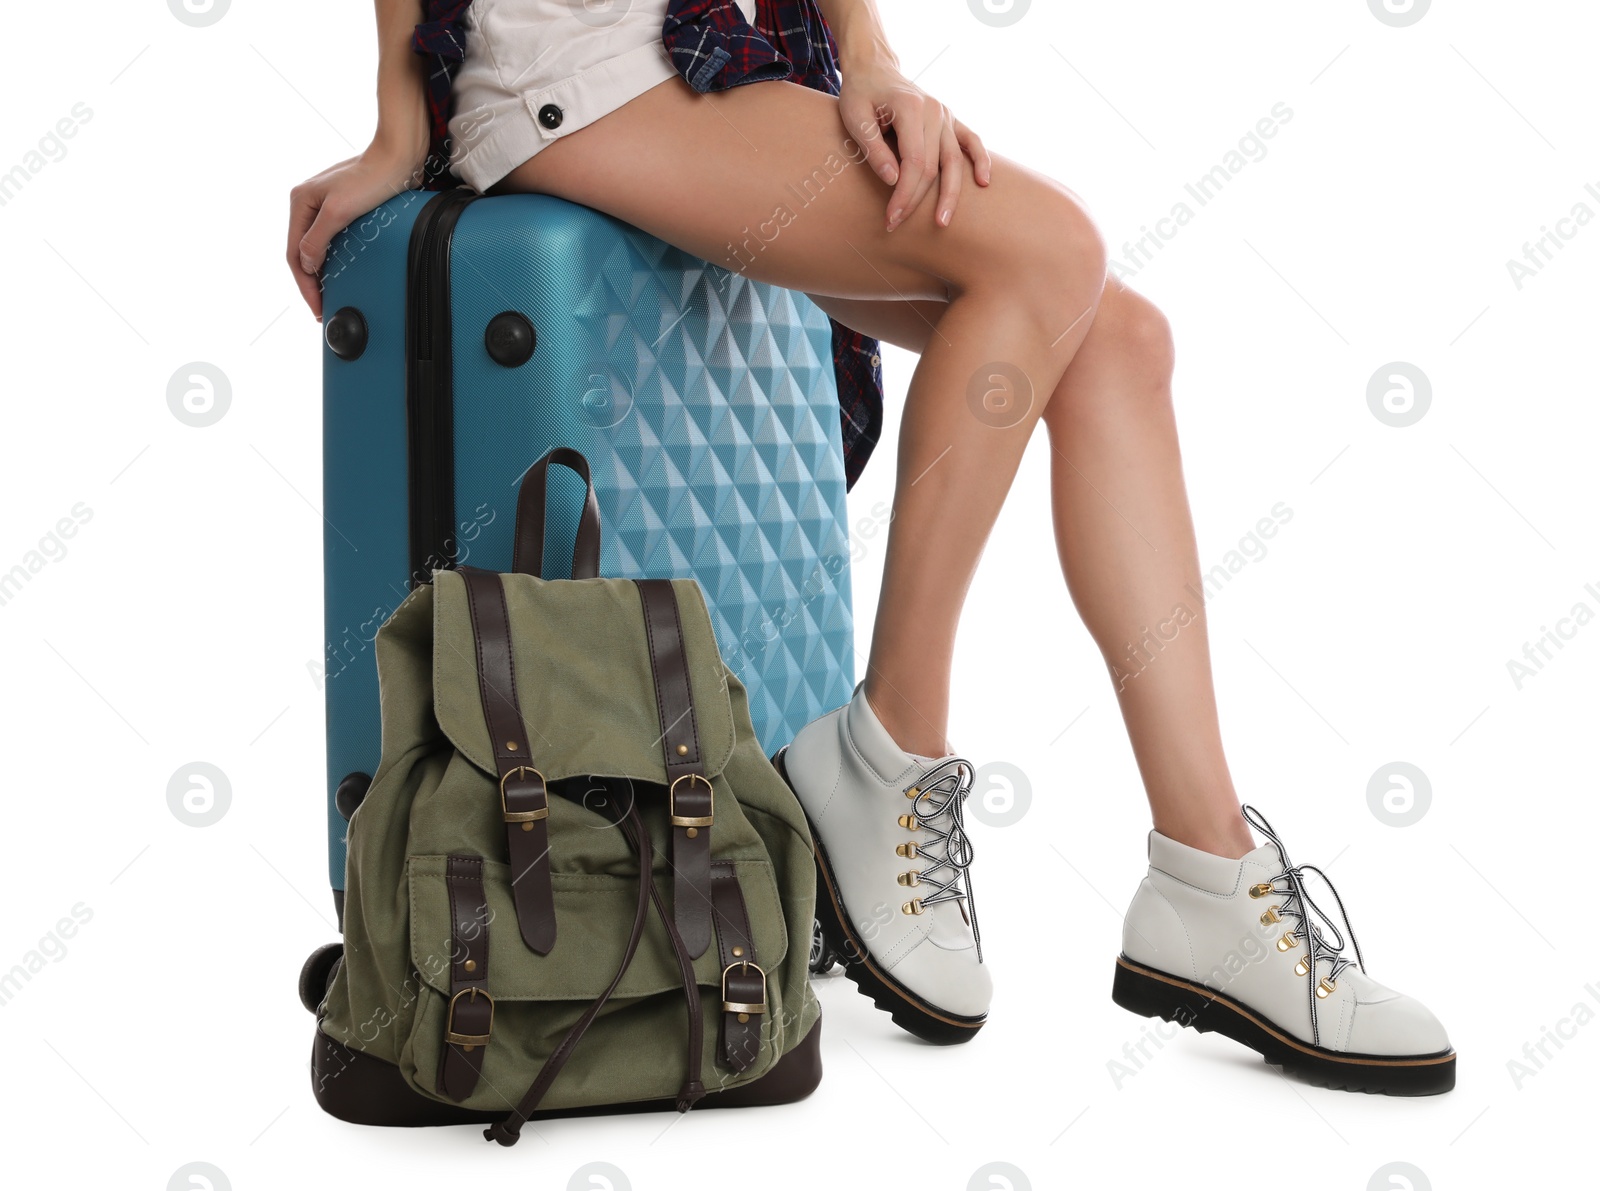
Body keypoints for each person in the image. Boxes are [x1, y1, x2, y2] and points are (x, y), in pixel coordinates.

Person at [288, 0, 1454, 1094]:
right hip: (577, 61)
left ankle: (1209, 880)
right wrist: (402, 128)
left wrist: (869, 60)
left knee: (1116, 342)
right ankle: (886, 750)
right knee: (1047, 252)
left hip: (716, 54)